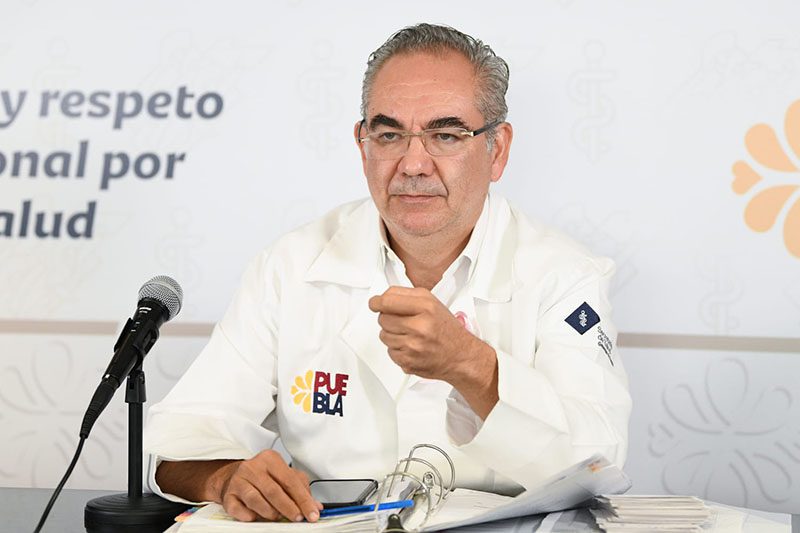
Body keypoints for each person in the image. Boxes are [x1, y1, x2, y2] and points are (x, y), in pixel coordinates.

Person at [143, 23, 631, 524]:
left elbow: (598, 461)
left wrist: (470, 364)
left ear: (497, 150)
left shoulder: (563, 275)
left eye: (445, 135)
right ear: (363, 145)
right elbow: (178, 443)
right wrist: (226, 478)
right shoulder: (290, 266)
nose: (413, 164)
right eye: (390, 134)